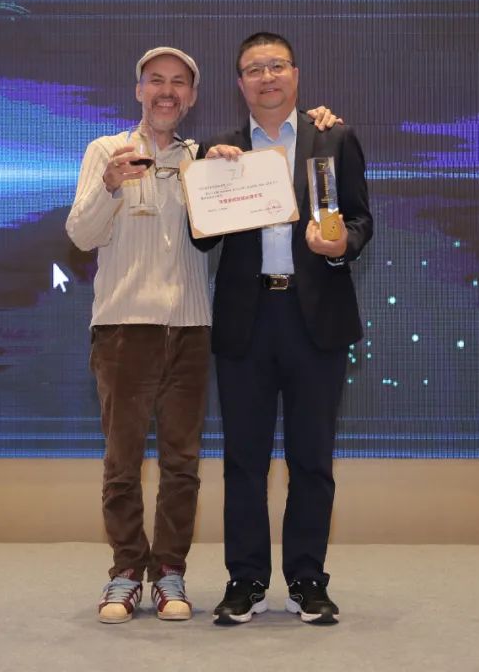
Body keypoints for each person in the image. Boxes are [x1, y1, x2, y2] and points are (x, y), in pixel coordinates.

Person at [66, 46, 340, 624]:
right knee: (121, 464)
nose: (166, 91)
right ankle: (124, 572)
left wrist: (317, 120)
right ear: (139, 90)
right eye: (155, 81)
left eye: (178, 83)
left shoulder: (206, 159)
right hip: (122, 328)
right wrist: (109, 185)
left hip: (192, 328)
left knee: (182, 466)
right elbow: (82, 235)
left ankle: (170, 571)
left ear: (192, 97)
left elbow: (249, 197)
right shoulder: (105, 151)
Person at [192, 32, 373, 626]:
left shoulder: (333, 137)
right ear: (239, 82)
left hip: (315, 317)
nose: (266, 77)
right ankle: (245, 580)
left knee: (311, 458)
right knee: (243, 460)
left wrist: (343, 245)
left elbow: (360, 219)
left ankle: (307, 579)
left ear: (295, 74)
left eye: (276, 66)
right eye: (254, 69)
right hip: (246, 319)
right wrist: (210, 179)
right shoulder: (219, 149)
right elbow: (201, 238)